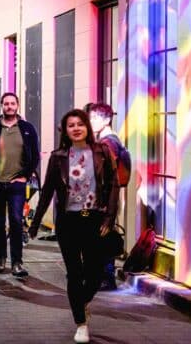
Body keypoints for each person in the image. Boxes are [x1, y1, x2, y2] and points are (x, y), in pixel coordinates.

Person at [29, 109, 119, 344]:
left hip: (95, 220)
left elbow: (113, 185)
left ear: (87, 127)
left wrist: (110, 217)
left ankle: (83, 301)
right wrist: (35, 223)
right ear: (65, 130)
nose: (76, 128)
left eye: (80, 124)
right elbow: (47, 190)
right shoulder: (59, 156)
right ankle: (81, 322)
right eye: (71, 125)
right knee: (74, 273)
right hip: (69, 221)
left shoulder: (102, 152)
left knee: (95, 272)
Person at [0, 92, 40, 277]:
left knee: (16, 222)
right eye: (6, 104)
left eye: (12, 103)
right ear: (1, 106)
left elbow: (35, 155)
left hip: (17, 185)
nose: (9, 106)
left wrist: (25, 176)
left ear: (17, 105)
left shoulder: (27, 128)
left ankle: (17, 263)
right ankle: (1, 259)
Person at [87, 102, 124, 291]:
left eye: (95, 118)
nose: (90, 121)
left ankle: (107, 278)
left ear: (107, 119)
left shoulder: (108, 142)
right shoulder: (110, 140)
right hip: (107, 198)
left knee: (103, 236)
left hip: (104, 200)